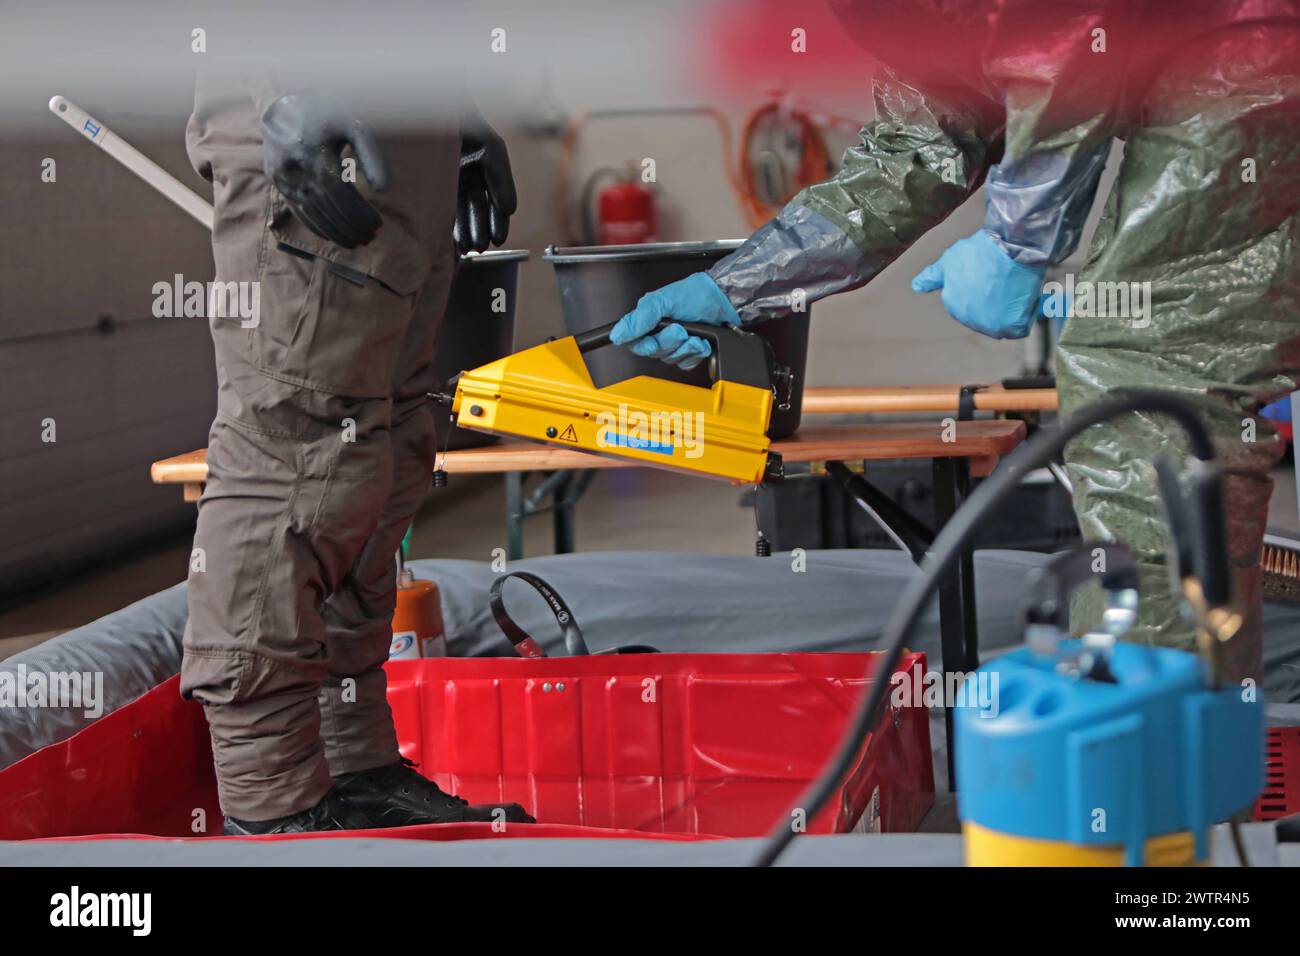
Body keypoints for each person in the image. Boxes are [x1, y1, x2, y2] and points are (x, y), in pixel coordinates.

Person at [611, 0, 1300, 684]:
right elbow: (927, 132)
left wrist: (1017, 240)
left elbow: (1068, 30)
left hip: (1250, 45)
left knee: (1147, 372)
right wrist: (738, 288)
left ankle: (1161, 765)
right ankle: (1155, 726)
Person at [182, 67, 534, 834]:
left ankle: (355, 768)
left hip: (404, 123)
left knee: (385, 449)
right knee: (292, 453)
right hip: (315, 101)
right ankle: (273, 805)